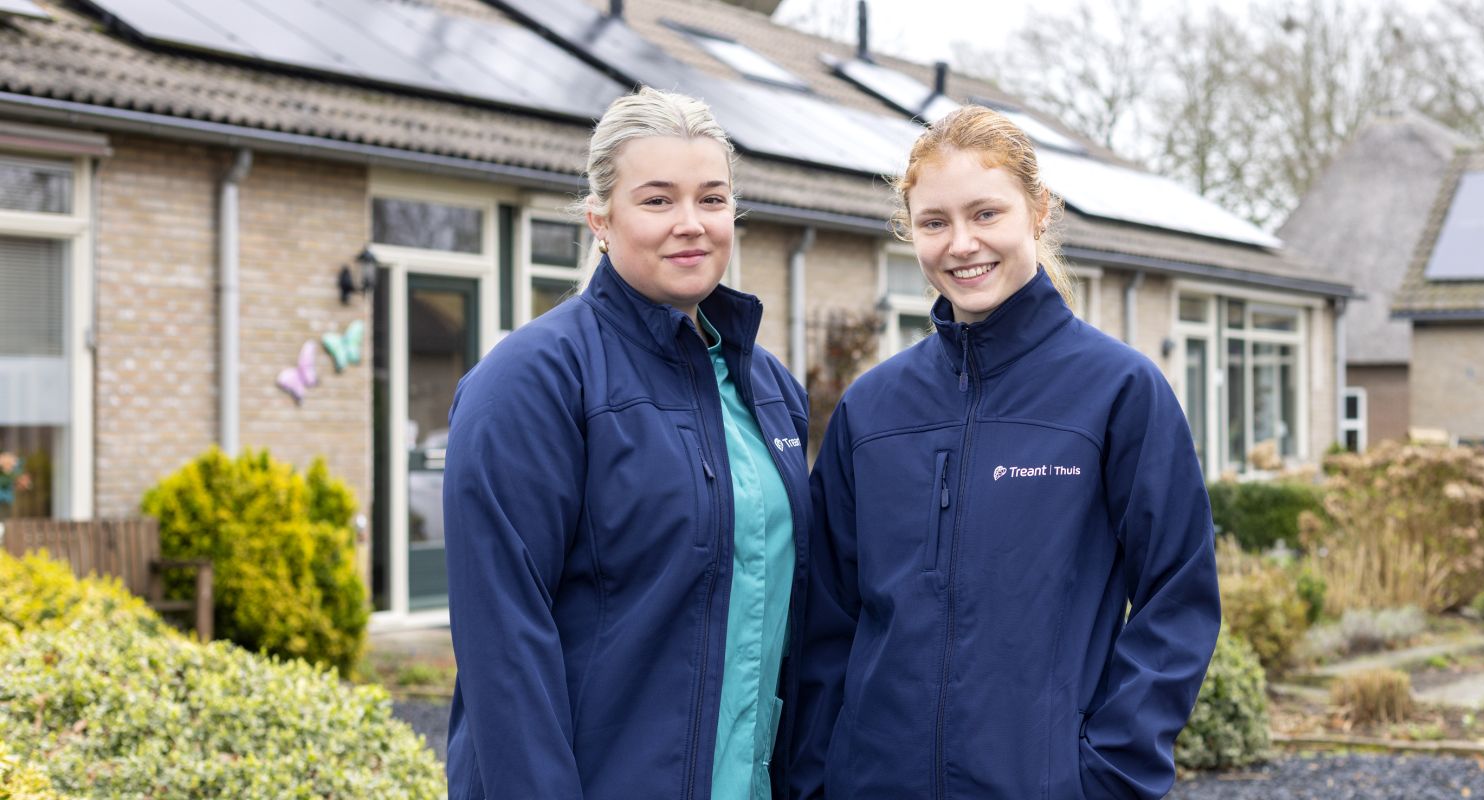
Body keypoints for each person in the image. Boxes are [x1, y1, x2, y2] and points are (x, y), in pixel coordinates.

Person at [788, 106, 1220, 800]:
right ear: (912, 231)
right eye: (935, 222)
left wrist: (1108, 776)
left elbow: (1179, 599)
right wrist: (816, 777)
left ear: (1039, 212)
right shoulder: (871, 410)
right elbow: (825, 623)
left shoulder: (1118, 392)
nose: (962, 244)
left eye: (985, 214)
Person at [443, 87, 811, 800]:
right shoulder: (532, 383)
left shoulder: (770, 390)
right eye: (657, 200)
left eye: (711, 199)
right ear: (600, 221)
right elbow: (505, 652)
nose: (691, 225)